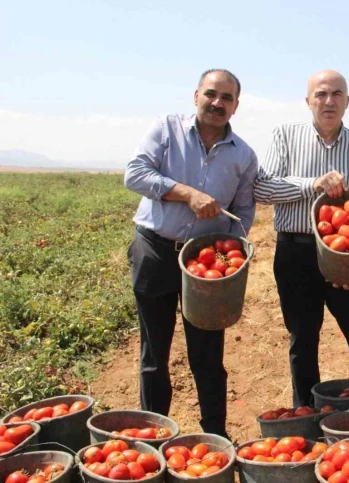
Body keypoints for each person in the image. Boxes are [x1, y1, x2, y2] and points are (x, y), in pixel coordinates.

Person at [124, 69, 257, 438]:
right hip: (155, 250)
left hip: (205, 263)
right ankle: (152, 432)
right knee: (155, 353)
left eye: (226, 98)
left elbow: (244, 212)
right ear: (195, 95)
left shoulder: (243, 155)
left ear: (236, 106)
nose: (217, 103)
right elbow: (134, 174)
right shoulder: (166, 130)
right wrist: (185, 192)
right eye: (211, 94)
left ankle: (215, 434)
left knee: (208, 354)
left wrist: (231, 255)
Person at [254, 69, 349, 408]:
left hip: (343, 251)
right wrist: (312, 183)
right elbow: (263, 189)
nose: (329, 101)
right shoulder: (285, 136)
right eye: (321, 94)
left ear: (347, 101)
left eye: (337, 94)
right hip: (295, 252)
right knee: (303, 339)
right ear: (308, 100)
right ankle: (307, 414)